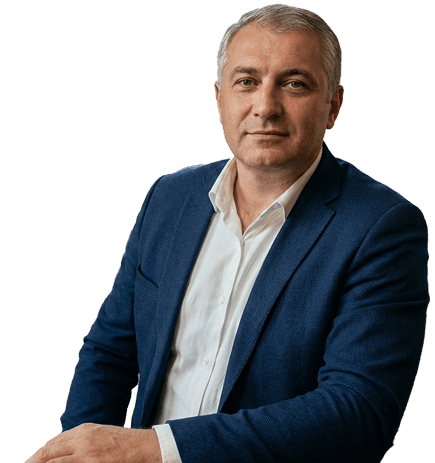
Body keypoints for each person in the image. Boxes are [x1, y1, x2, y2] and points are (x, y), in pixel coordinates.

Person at [26, 4, 428, 463]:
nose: (265, 106)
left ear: (333, 105)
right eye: (247, 81)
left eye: (294, 84)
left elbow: (358, 413)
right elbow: (109, 351)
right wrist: (80, 451)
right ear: (220, 98)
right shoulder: (169, 197)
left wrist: (155, 448)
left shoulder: (382, 227)